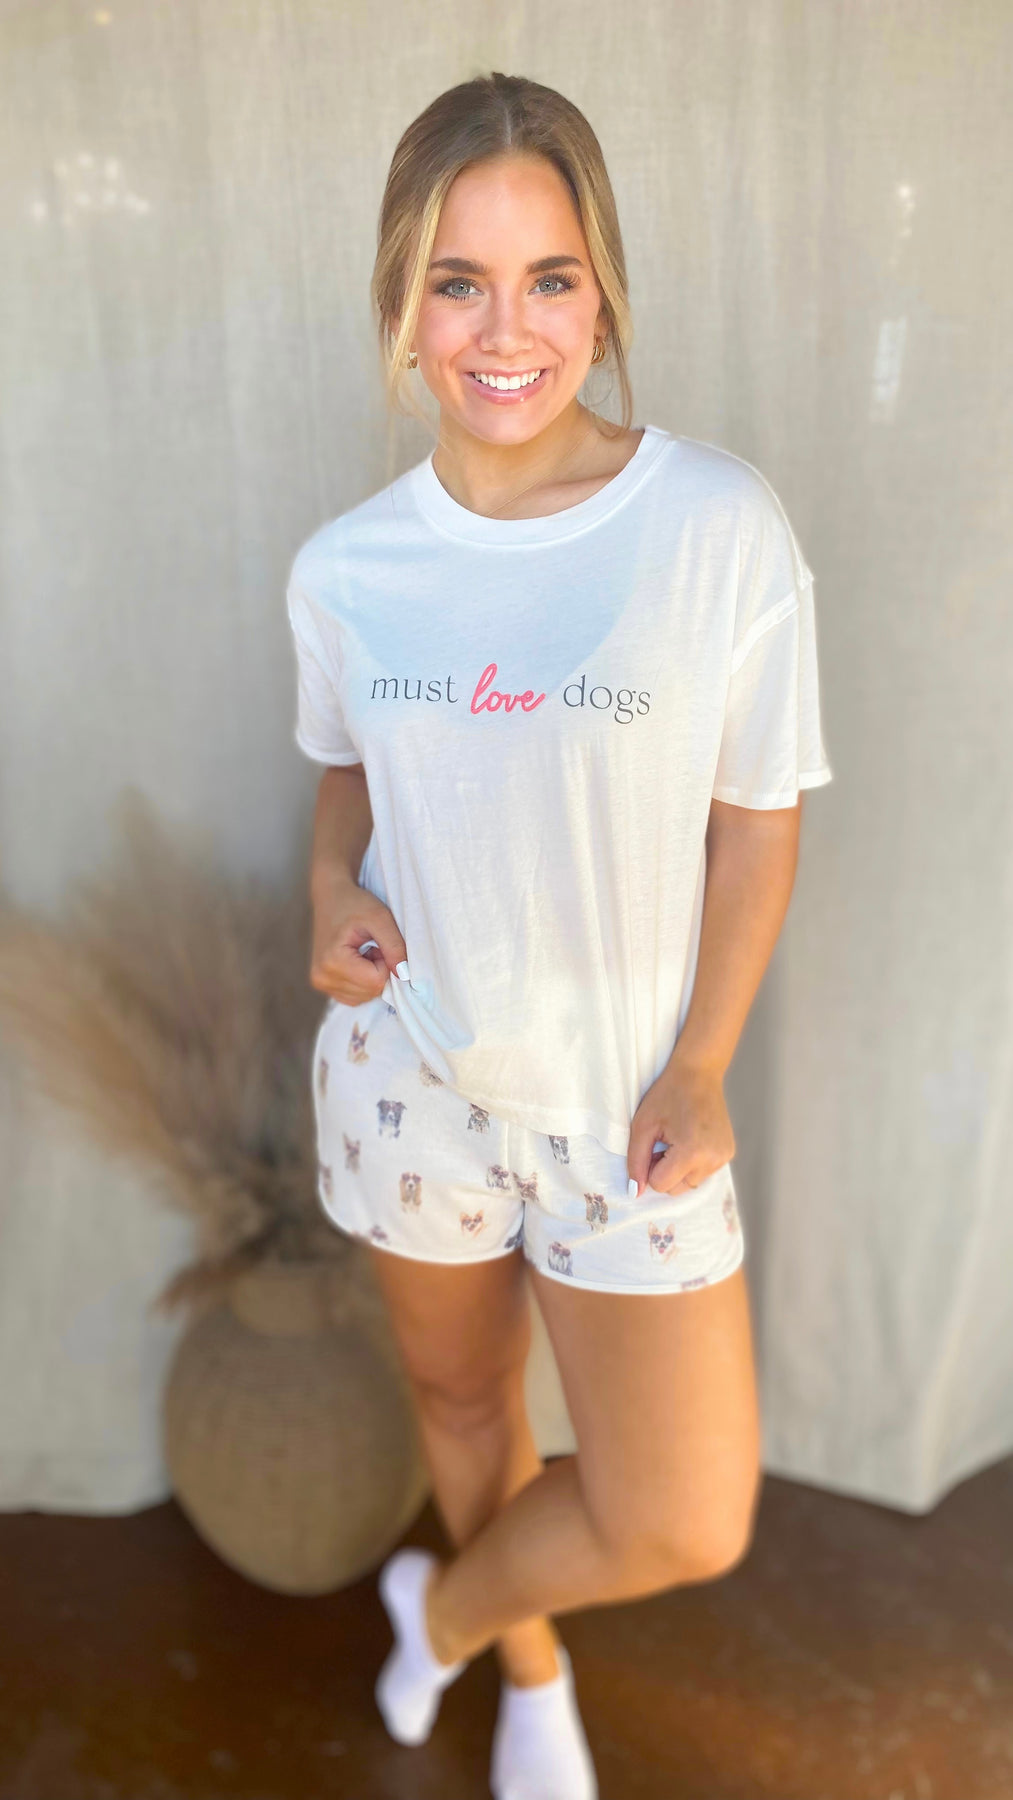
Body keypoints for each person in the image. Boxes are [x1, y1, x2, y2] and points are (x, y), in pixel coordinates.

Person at [285, 70, 833, 1800]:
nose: (503, 331)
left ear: (603, 292)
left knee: (681, 1510)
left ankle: (443, 1616)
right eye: (457, 281)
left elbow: (757, 817)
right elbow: (345, 775)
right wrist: (330, 896)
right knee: (465, 1410)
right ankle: (529, 1675)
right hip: (412, 1083)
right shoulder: (348, 569)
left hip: (627, 1104)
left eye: (548, 279)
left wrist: (703, 1060)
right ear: (401, 299)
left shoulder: (715, 529)